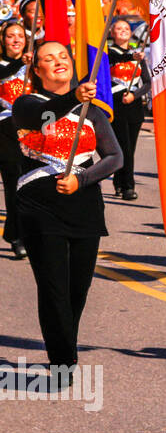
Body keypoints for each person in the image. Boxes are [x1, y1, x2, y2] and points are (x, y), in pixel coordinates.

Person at [11, 42, 122, 370]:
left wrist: (82, 180)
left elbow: (115, 156)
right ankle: (63, 360)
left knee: (77, 289)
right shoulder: (26, 104)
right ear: (37, 70)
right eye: (48, 58)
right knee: (54, 287)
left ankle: (64, 346)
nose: (58, 61)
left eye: (63, 56)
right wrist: (75, 97)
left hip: (85, 205)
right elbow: (45, 116)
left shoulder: (92, 111)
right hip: (39, 205)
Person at [0, 20, 31, 257]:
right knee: (14, 185)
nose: (16, 40)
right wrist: (19, 64)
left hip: (33, 132)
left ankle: (18, 231)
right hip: (5, 131)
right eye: (11, 36)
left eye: (20, 35)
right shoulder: (3, 64)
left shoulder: (34, 65)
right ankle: (17, 236)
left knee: (31, 185)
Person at [106, 19, 146, 201]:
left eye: (126, 29)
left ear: (131, 33)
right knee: (123, 147)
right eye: (118, 28)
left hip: (134, 106)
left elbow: (147, 82)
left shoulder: (137, 54)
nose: (123, 31)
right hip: (116, 105)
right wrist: (132, 58)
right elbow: (115, 60)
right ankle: (128, 186)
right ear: (112, 33)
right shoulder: (107, 53)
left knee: (131, 148)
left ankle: (119, 181)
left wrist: (134, 96)